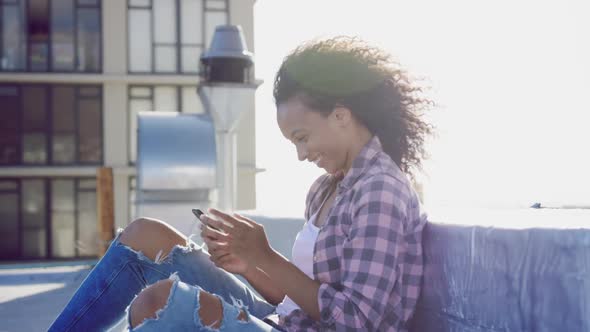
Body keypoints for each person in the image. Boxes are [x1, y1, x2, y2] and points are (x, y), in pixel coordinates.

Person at [48, 36, 433, 332]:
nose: (301, 154)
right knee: (146, 236)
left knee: (158, 302)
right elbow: (296, 296)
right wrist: (247, 265)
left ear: (340, 116)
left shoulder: (380, 190)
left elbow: (358, 322)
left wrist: (265, 257)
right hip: (284, 319)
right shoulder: (326, 189)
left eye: (302, 137)